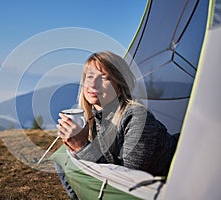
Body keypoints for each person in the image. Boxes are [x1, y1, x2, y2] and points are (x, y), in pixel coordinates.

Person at [55, 51, 177, 199]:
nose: (93, 84)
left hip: (177, 176)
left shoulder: (137, 118)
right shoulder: (91, 117)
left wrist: (82, 147)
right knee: (63, 155)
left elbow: (125, 181)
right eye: (90, 76)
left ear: (120, 87)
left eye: (104, 78)